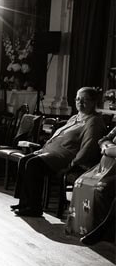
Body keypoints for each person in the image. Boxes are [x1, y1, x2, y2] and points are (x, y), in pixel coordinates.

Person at [12, 87, 108, 217]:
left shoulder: (93, 121)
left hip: (64, 158)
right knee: (24, 160)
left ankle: (34, 207)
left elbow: (88, 147)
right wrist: (42, 149)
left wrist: (71, 165)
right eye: (78, 99)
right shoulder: (75, 117)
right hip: (51, 153)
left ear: (93, 102)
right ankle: (24, 203)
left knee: (33, 164)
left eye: (85, 100)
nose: (80, 103)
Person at [76, 125, 116, 245]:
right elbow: (103, 139)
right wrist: (106, 146)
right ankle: (90, 226)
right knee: (81, 182)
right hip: (108, 166)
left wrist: (109, 150)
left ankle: (105, 229)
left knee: (103, 187)